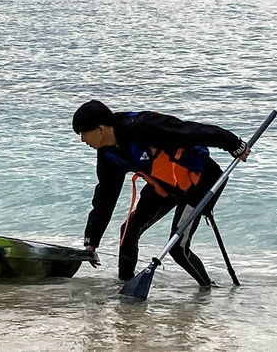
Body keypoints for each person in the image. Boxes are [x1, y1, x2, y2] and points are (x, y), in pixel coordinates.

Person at [72, 100, 250, 287]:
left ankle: (207, 288)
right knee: (128, 231)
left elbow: (192, 131)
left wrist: (233, 143)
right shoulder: (108, 155)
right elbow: (105, 197)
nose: (83, 140)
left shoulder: (144, 126)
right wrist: (92, 241)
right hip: (163, 188)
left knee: (177, 248)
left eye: (84, 133)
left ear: (100, 129)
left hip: (200, 184)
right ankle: (126, 286)